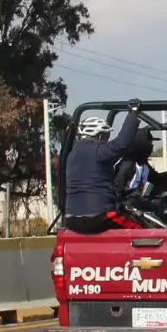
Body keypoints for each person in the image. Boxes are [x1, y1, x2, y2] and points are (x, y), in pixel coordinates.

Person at [62, 100, 144, 233]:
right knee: (141, 231)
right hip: (98, 216)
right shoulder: (97, 150)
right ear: (99, 135)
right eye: (105, 135)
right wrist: (133, 115)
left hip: (72, 219)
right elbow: (121, 144)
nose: (106, 139)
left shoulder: (73, 154)